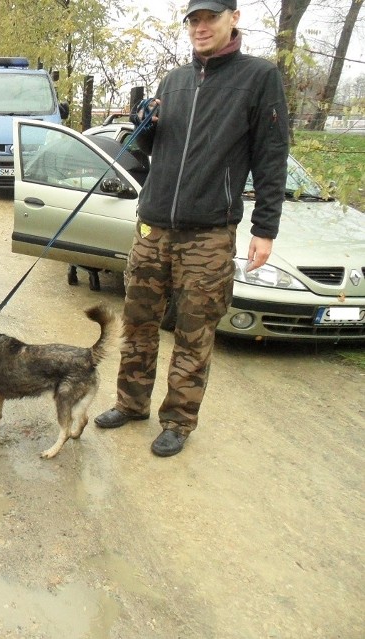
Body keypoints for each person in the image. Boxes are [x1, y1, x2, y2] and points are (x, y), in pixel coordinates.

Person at [93, 0, 289, 457]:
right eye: (194, 20)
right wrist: (142, 124)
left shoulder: (258, 78)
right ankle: (130, 402)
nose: (201, 28)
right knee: (139, 322)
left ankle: (178, 421)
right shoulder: (174, 81)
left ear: (233, 18)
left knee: (194, 330)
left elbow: (271, 157)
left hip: (209, 233)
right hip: (153, 226)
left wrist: (266, 227)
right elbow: (146, 148)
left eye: (211, 18)